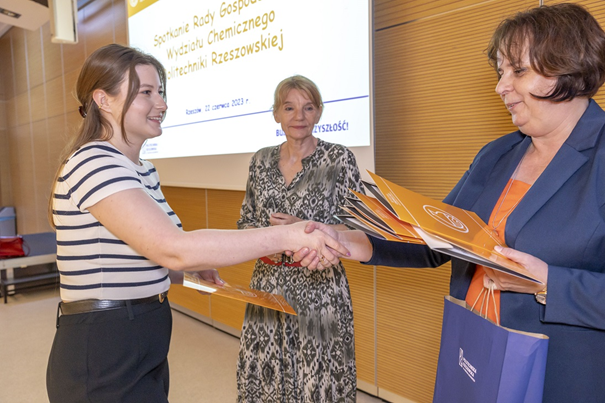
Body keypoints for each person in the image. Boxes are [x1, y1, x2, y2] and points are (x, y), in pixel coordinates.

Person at [299, 4, 605, 402]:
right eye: (501, 72)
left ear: (569, 68)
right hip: (475, 357)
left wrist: (549, 284)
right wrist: (348, 241)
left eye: (518, 71)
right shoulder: (497, 154)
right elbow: (435, 241)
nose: (501, 87)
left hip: (563, 379)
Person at [45, 45, 347, 403]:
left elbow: (132, 256)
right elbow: (174, 248)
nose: (162, 104)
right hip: (104, 343)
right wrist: (287, 235)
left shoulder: (140, 170)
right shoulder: (94, 161)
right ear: (103, 99)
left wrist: (184, 272)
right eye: (146, 92)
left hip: (141, 332)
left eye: (161, 92)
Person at [236, 75, 363, 402]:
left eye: (308, 107)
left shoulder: (339, 159)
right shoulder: (260, 161)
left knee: (319, 382)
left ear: (319, 112)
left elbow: (358, 229)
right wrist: (273, 238)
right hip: (267, 287)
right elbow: (246, 223)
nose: (299, 116)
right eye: (289, 107)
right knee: (267, 379)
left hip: (321, 291)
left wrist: (303, 228)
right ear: (276, 113)